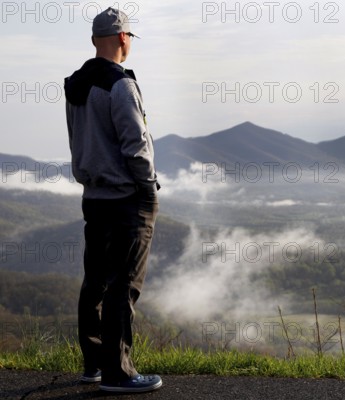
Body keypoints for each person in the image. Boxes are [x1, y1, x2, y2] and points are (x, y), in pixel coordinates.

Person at [64, 7, 162, 393]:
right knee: (124, 284)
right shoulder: (121, 85)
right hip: (126, 197)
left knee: (97, 282)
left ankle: (94, 365)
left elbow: (78, 140)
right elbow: (135, 144)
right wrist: (148, 186)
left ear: (94, 40)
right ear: (123, 38)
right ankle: (119, 374)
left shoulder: (76, 84)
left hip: (94, 196)